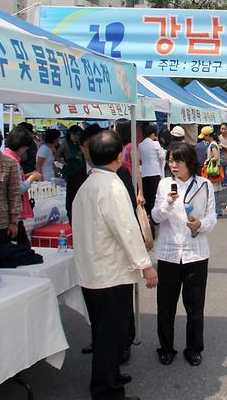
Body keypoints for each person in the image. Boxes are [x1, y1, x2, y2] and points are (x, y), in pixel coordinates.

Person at [72, 130, 157, 400]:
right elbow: (127, 229)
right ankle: (107, 390)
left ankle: (108, 377)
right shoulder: (111, 185)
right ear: (119, 156)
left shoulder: (89, 183)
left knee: (103, 333)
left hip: (94, 272)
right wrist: (146, 265)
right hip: (110, 274)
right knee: (111, 335)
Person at [66, 123, 140, 361]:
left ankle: (114, 369)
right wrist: (144, 264)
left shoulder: (104, 180)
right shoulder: (104, 183)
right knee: (107, 329)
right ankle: (107, 384)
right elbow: (126, 227)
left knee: (109, 327)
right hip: (107, 267)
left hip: (99, 265)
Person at [153, 141, 217, 367]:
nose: (173, 165)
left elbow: (212, 218)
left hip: (195, 254)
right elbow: (156, 217)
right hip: (169, 253)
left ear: (190, 162)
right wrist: (167, 205)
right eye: (170, 160)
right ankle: (166, 347)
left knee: (195, 306)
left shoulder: (204, 185)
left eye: (178, 161)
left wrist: (200, 224)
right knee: (166, 305)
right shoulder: (163, 185)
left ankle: (194, 348)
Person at [2, 126, 44, 242]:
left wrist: (26, 176)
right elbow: (18, 189)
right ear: (21, 147)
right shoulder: (13, 162)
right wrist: (32, 178)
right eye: (25, 149)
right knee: (22, 247)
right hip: (12, 213)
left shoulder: (3, 157)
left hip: (5, 212)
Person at [138, 124, 166, 221]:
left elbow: (140, 158)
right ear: (153, 134)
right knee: (155, 196)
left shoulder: (140, 145)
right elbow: (162, 156)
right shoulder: (155, 144)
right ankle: (155, 218)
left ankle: (148, 216)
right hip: (155, 172)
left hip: (144, 173)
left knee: (147, 195)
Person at [200, 127, 223, 216]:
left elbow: (216, 157)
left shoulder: (213, 145)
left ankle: (216, 212)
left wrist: (208, 160)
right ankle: (218, 211)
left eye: (205, 136)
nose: (204, 138)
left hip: (213, 171)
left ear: (208, 136)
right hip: (214, 171)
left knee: (213, 192)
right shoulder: (214, 144)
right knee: (214, 192)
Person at [218, 123, 227, 189]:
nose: (223, 130)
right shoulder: (218, 138)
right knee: (221, 174)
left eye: (225, 129)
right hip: (220, 158)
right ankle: (224, 186)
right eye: (222, 129)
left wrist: (223, 146)